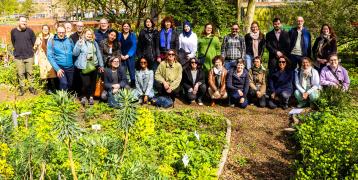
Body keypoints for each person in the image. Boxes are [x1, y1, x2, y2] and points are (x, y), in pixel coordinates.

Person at [73, 28, 104, 105]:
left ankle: (91, 97)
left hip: (94, 65)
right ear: (84, 34)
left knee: (92, 83)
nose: (89, 35)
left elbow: (98, 54)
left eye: (90, 34)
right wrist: (79, 45)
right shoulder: (80, 42)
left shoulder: (94, 43)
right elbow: (75, 54)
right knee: (85, 83)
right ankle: (83, 96)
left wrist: (101, 65)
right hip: (84, 66)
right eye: (88, 34)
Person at [11, 16, 36, 95]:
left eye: (25, 21)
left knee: (30, 73)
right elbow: (13, 42)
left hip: (29, 56)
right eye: (22, 21)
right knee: (20, 74)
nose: (24, 23)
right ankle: (22, 88)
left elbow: (34, 42)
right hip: (18, 57)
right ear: (18, 22)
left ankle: (31, 87)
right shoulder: (13, 31)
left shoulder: (30, 31)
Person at [47, 25, 75, 91]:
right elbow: (50, 56)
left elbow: (74, 52)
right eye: (59, 32)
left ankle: (67, 97)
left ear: (65, 32)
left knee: (70, 84)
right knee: (64, 83)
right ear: (56, 32)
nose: (61, 34)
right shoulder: (52, 41)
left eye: (63, 32)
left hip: (70, 67)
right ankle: (62, 99)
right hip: (60, 67)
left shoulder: (69, 40)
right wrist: (57, 69)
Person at [33, 24, 56, 94]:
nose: (45, 30)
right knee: (45, 74)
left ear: (49, 30)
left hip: (51, 57)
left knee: (52, 73)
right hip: (43, 58)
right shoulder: (39, 37)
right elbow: (34, 48)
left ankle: (54, 88)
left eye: (47, 29)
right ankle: (48, 89)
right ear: (42, 30)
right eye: (44, 29)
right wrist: (36, 45)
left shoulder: (53, 37)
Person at [119, 22, 137, 87]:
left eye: (127, 26)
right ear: (122, 27)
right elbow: (117, 45)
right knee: (122, 71)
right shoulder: (119, 35)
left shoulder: (132, 35)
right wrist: (120, 55)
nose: (126, 27)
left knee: (131, 70)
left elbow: (134, 46)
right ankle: (123, 85)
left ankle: (133, 85)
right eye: (124, 26)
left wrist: (128, 55)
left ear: (129, 27)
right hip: (121, 56)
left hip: (130, 56)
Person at [70, 21, 85, 95]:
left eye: (81, 26)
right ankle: (76, 92)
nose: (79, 27)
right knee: (76, 77)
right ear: (76, 27)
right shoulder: (72, 37)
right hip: (75, 60)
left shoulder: (86, 35)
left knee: (84, 77)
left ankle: (83, 93)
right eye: (78, 26)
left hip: (85, 60)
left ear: (83, 27)